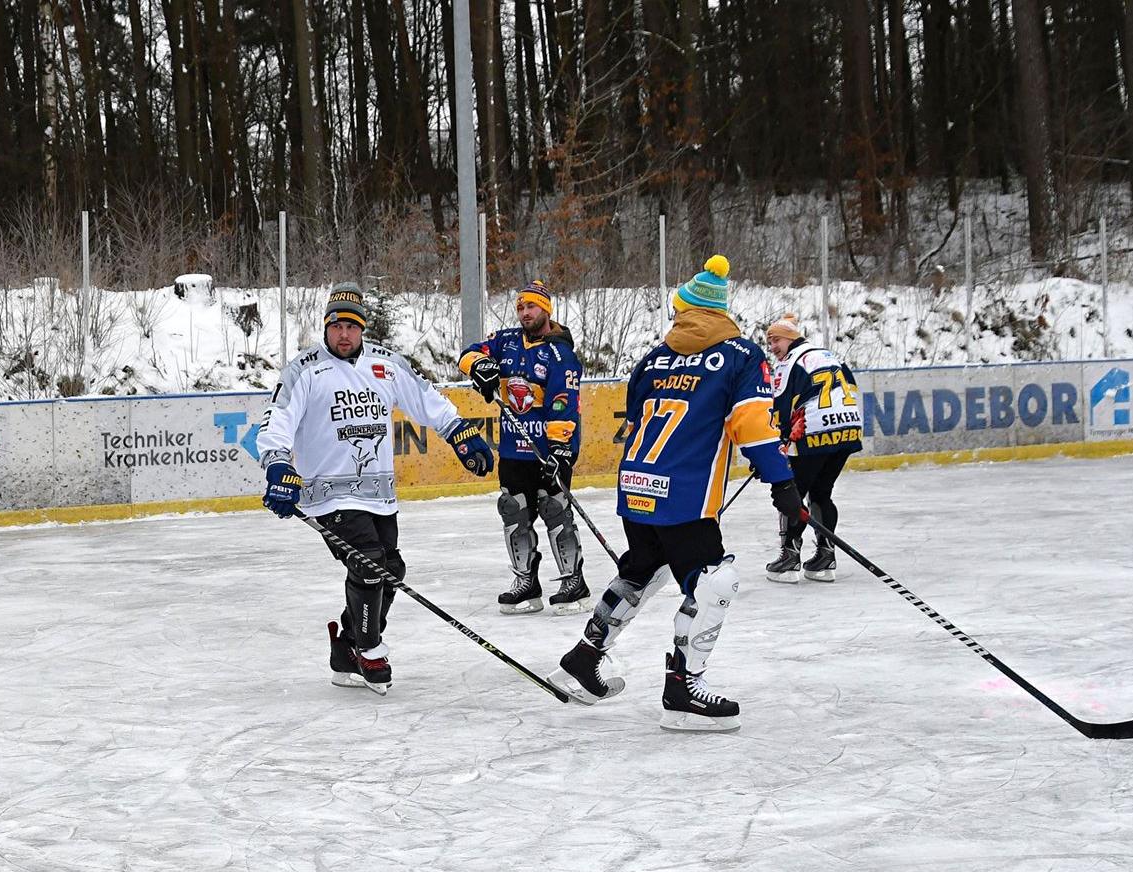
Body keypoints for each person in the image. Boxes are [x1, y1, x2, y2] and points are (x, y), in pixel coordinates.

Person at [547, 256, 802, 730]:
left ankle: (584, 658)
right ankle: (684, 688)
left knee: (643, 568)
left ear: (684, 311)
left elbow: (636, 413)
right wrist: (782, 482)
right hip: (684, 496)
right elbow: (752, 425)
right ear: (723, 313)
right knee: (714, 580)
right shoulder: (742, 356)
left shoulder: (652, 357)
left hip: (638, 487)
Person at [257, 282, 495, 695]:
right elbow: (276, 421)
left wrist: (460, 432)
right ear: (326, 327)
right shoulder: (305, 368)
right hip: (328, 495)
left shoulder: (386, 363)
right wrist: (277, 465)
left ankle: (347, 645)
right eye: (336, 326)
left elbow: (428, 401)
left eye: (352, 326)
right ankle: (369, 650)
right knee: (369, 563)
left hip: (380, 496)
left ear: (363, 329)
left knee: (391, 570)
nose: (344, 334)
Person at [458, 278, 589, 614]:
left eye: (531, 306)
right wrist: (481, 367)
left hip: (549, 450)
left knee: (554, 510)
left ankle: (573, 582)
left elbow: (563, 402)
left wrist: (560, 450)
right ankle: (526, 582)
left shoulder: (560, 352)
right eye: (520, 307)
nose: (524, 312)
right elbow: (467, 354)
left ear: (545, 309)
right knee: (513, 511)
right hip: (514, 449)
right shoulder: (506, 342)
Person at [761, 314, 862, 583]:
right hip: (847, 429)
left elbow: (780, 405)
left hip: (813, 431)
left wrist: (775, 443)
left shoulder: (788, 363)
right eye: (769, 341)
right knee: (821, 493)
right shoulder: (828, 355)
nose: (772, 346)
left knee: (792, 494)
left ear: (792, 338)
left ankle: (789, 558)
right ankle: (825, 558)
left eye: (776, 339)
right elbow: (850, 386)